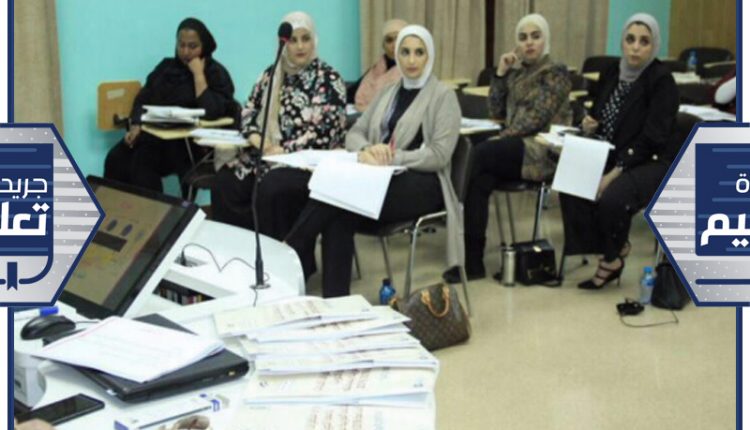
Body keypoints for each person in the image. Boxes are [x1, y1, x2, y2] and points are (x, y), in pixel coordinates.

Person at [285, 24, 462, 298]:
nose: (411, 60)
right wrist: (367, 150)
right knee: (340, 209)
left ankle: (289, 250)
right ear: (397, 55)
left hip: (424, 183)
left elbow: (439, 155)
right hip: (379, 179)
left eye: (419, 52)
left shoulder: (443, 96)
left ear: (430, 56)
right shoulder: (389, 91)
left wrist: (392, 157)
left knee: (341, 196)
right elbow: (354, 132)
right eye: (405, 52)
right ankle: (336, 302)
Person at [443, 13, 571, 283]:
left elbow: (535, 117)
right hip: (515, 147)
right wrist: (500, 74)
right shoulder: (517, 74)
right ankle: (473, 262)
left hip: (543, 151)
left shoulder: (555, 72)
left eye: (535, 36)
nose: (529, 43)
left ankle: (450, 220)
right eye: (523, 38)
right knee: (479, 178)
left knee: (480, 154)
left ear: (545, 39)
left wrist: (500, 138)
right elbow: (496, 111)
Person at [559, 13, 679, 289]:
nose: (635, 47)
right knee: (571, 183)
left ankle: (611, 257)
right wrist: (589, 123)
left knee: (612, 196)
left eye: (644, 42)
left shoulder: (661, 81)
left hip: (652, 160)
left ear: (654, 46)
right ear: (622, 42)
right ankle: (612, 249)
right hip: (613, 151)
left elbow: (652, 138)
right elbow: (599, 110)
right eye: (630, 39)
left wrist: (612, 174)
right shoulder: (612, 71)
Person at [210, 11, 347, 240]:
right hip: (266, 156)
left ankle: (280, 253)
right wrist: (257, 138)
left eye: (305, 38)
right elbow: (249, 111)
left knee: (272, 187)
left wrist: (284, 150)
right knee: (225, 182)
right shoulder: (270, 74)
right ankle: (239, 248)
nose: (300, 46)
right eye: (293, 40)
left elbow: (325, 133)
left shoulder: (328, 79)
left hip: (307, 163)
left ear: (314, 40)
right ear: (283, 44)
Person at [104, 18, 236, 193]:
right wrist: (136, 125)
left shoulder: (215, 73)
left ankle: (153, 209)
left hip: (191, 144)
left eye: (192, 46)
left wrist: (198, 75)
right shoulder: (166, 68)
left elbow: (211, 112)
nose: (186, 52)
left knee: (142, 163)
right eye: (181, 45)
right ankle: (117, 207)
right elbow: (143, 98)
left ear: (205, 46)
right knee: (116, 157)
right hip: (157, 137)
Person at [347, 19, 407, 112]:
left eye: (399, 39)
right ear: (383, 45)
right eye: (389, 40)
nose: (394, 45)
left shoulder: (411, 72)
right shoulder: (376, 70)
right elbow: (349, 94)